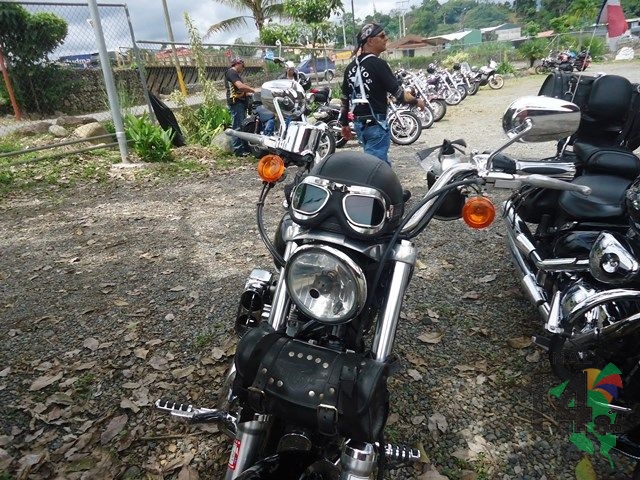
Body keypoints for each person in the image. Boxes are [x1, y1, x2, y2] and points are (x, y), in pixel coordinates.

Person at [339, 23, 425, 165]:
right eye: (382, 36)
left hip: (360, 125)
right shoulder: (378, 64)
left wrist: (344, 124)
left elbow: (344, 98)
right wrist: (417, 102)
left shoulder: (350, 67)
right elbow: (399, 94)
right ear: (370, 41)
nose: (386, 38)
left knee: (379, 164)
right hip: (376, 125)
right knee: (375, 168)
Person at [224, 57, 257, 156]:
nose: (243, 68)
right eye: (243, 66)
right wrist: (253, 90)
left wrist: (248, 94)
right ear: (237, 64)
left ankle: (244, 148)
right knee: (238, 127)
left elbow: (239, 90)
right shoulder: (232, 72)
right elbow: (240, 86)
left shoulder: (235, 74)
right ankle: (238, 151)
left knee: (242, 126)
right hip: (236, 103)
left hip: (240, 102)